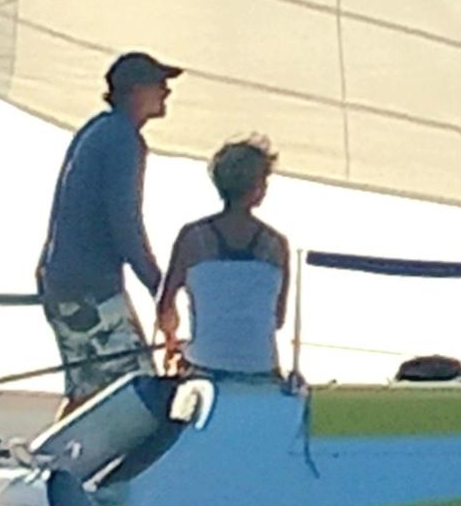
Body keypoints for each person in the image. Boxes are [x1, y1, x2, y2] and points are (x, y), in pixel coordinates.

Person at [36, 51, 179, 405]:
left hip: (64, 278)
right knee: (134, 391)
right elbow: (125, 223)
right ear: (135, 90)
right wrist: (161, 291)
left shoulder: (97, 130)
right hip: (89, 285)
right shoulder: (123, 139)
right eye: (158, 84)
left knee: (88, 390)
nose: (166, 92)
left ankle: (58, 458)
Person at [158, 137, 293, 381]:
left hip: (204, 370)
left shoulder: (192, 238)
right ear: (257, 187)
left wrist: (172, 341)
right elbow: (277, 319)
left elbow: (165, 307)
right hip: (261, 370)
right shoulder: (276, 245)